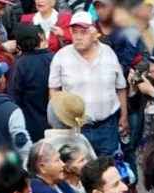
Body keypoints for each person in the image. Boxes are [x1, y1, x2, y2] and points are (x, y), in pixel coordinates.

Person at [47, 10, 128, 157]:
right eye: (74, 32)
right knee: (80, 172)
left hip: (107, 127)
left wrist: (124, 116)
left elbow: (120, 87)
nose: (78, 37)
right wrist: (57, 122)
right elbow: (54, 91)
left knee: (107, 170)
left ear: (94, 33)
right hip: (76, 129)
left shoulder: (108, 53)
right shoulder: (61, 57)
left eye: (83, 32)